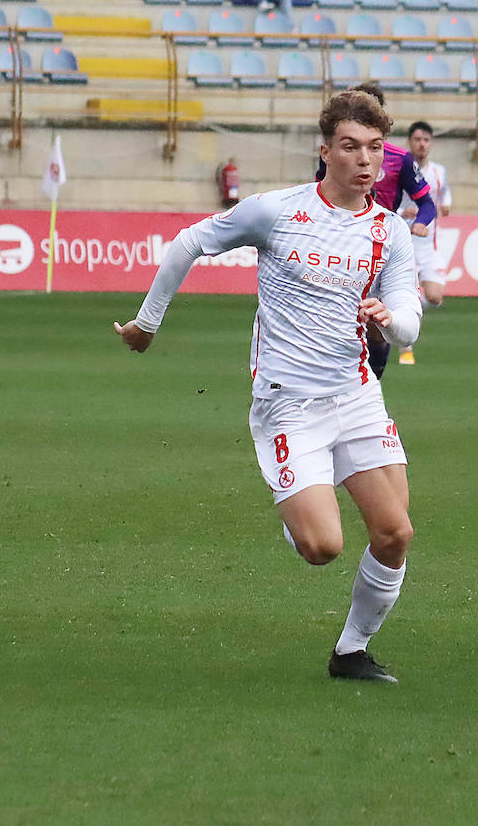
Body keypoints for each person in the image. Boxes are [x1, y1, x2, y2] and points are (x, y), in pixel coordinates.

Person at [114, 90, 422, 683]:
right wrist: (146, 325)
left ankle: (350, 652)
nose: (366, 161)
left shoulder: (389, 231)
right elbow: (189, 243)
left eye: (376, 149)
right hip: (289, 405)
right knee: (322, 547)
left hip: (356, 395)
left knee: (395, 532)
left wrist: (391, 319)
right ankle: (300, 503)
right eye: (352, 147)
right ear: (325, 151)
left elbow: (409, 315)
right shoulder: (275, 212)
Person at [314, 83, 436, 377]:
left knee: (377, 325)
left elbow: (427, 203)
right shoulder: (335, 152)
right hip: (338, 240)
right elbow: (317, 190)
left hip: (380, 245)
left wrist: (420, 222)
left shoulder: (400, 158)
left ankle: (371, 384)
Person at [395, 120, 453, 366]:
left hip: (428, 247)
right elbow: (389, 201)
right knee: (409, 295)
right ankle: (405, 348)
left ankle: (401, 309)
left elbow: (444, 192)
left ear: (431, 143)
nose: (422, 144)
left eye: (426, 140)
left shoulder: (439, 171)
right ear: (409, 142)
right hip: (403, 245)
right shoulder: (401, 167)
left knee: (435, 297)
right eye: (417, 139)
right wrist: (401, 211)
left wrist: (447, 203)